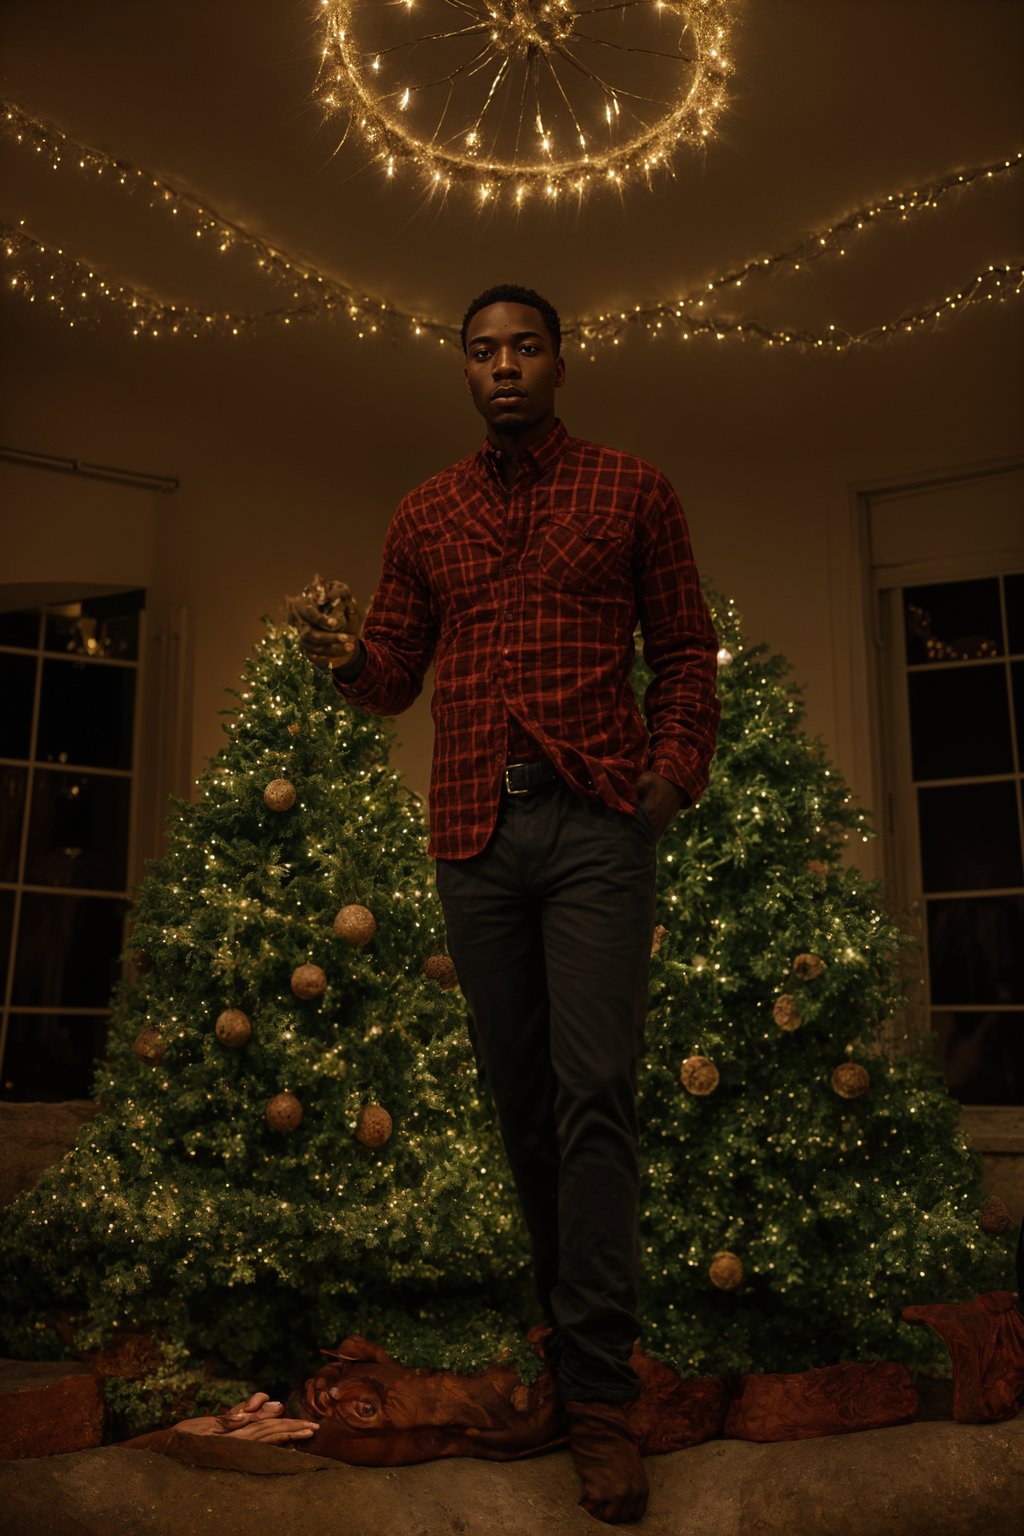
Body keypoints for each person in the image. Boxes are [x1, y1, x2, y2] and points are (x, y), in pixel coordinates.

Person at [296, 283, 720, 1524]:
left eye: (523, 346)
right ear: (463, 370)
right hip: (473, 836)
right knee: (524, 1110)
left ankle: (598, 1401)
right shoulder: (425, 509)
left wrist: (665, 780)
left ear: (560, 360)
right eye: (480, 351)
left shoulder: (633, 488)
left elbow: (684, 648)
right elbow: (392, 676)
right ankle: (565, 1340)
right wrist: (340, 660)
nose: (502, 367)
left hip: (596, 826)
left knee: (597, 1097)